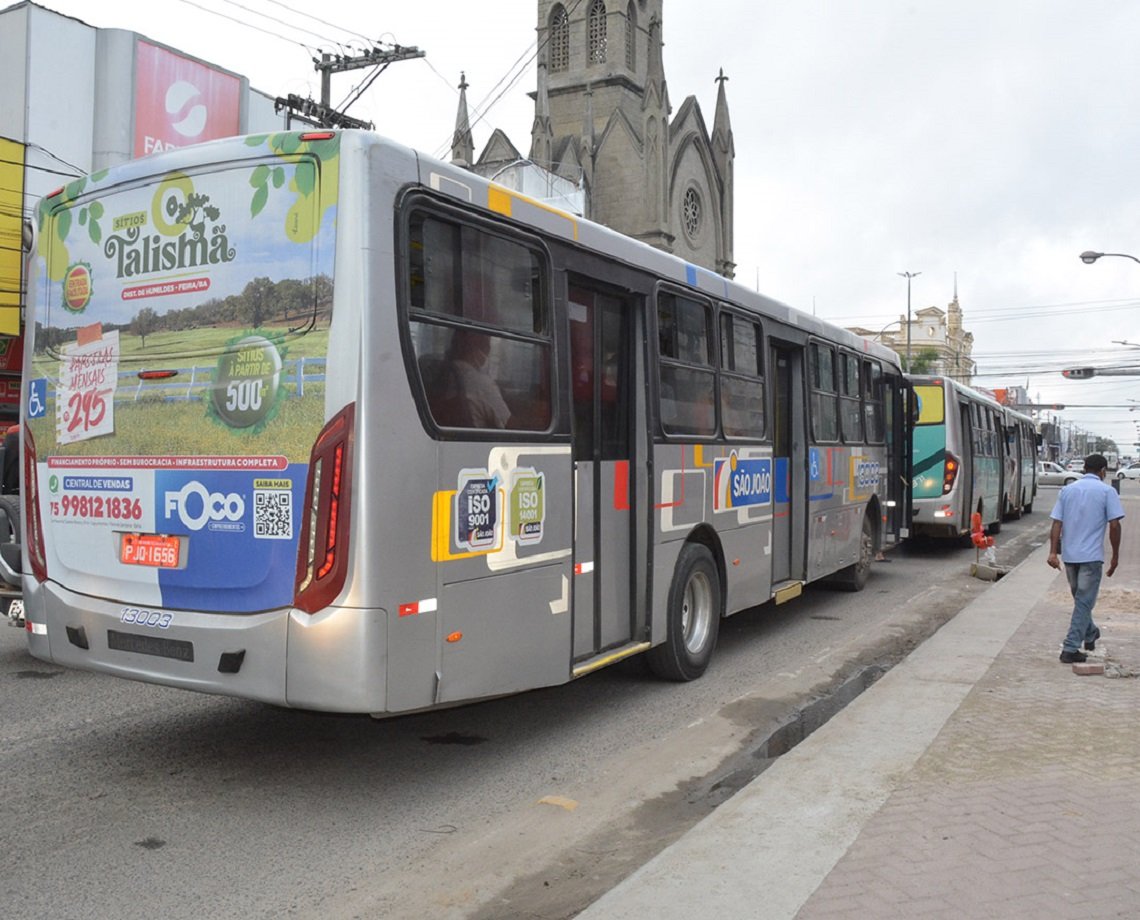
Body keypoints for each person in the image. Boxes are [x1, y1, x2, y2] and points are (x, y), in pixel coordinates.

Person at [1047, 453, 1124, 663]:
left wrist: (1053, 552)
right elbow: (1115, 525)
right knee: (1083, 602)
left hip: (1070, 556)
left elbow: (1056, 523)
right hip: (1091, 557)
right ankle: (1071, 648)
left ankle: (1089, 634)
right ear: (1102, 472)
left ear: (1084, 469)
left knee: (1081, 600)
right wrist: (1115, 556)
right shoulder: (1108, 491)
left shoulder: (1067, 490)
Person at [447, 330, 511, 429]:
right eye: (487, 347)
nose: (487, 354)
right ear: (473, 348)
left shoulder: (444, 374)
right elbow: (508, 424)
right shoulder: (481, 384)